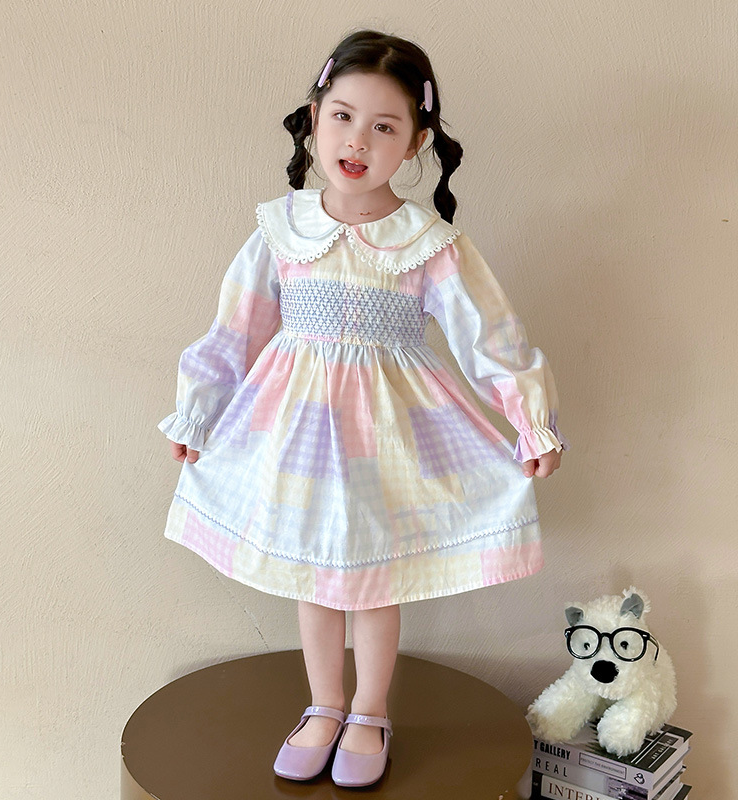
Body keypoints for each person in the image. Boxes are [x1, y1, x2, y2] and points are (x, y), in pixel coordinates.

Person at [159, 29, 565, 789]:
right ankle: (323, 705)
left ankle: (370, 711)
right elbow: (235, 330)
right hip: (295, 436)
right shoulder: (280, 231)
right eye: (343, 117)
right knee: (314, 577)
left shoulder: (428, 243)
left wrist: (528, 419)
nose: (357, 141)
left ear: (416, 142)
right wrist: (198, 411)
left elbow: (491, 335)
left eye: (384, 126)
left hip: (390, 437)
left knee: (375, 582)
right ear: (314, 117)